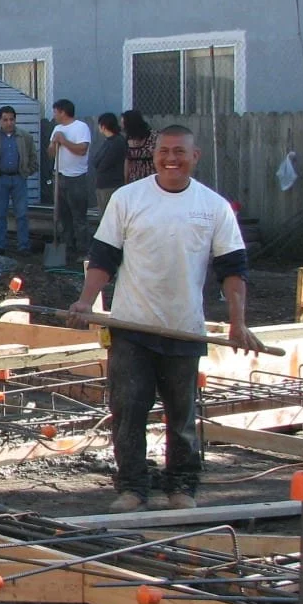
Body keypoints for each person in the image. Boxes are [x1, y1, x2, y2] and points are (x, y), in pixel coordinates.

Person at [69, 125, 265, 513]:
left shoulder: (213, 207)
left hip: (184, 328)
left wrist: (238, 321)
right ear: (153, 155)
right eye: (164, 151)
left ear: (195, 157)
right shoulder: (128, 199)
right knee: (128, 412)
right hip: (130, 327)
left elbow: (232, 269)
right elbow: (105, 257)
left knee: (182, 416)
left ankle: (182, 487)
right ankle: (133, 488)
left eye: (179, 152)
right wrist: (86, 301)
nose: (171, 158)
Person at [0, 105, 36, 255]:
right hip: (0, 179)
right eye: (5, 120)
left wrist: (27, 171)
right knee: (0, 214)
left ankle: (23, 246)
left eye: (11, 119)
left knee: (22, 214)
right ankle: (0, 246)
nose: (9, 123)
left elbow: (33, 157)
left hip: (19, 179)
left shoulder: (25, 137)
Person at [48, 99, 92, 263]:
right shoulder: (57, 129)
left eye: (55, 112)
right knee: (63, 216)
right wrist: (54, 143)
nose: (54, 115)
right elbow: (51, 154)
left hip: (76, 178)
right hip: (59, 176)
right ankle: (67, 249)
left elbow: (82, 150)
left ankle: (83, 251)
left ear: (62, 112)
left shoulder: (81, 127)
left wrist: (64, 141)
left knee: (79, 217)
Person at [91, 112, 126, 225]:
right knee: (103, 216)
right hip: (102, 184)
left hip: (111, 185)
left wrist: (99, 163)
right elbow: (95, 160)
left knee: (110, 219)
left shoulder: (117, 142)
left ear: (103, 126)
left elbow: (104, 164)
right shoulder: (108, 141)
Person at [122, 109, 156, 185]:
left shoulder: (153, 137)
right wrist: (126, 181)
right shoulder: (128, 139)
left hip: (151, 178)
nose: (123, 127)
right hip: (134, 180)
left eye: (124, 124)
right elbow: (127, 162)